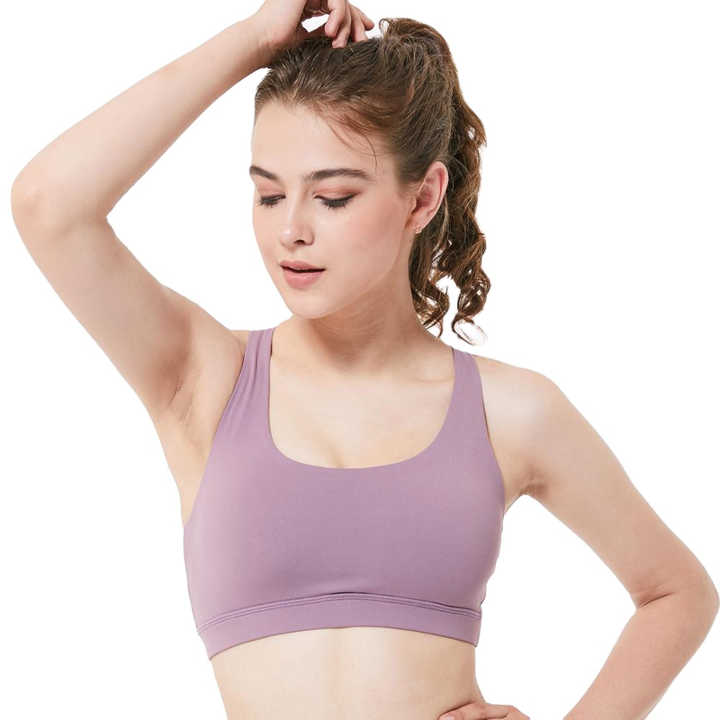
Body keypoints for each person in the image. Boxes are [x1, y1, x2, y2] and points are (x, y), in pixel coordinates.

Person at [10, 1, 718, 718]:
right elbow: (48, 206)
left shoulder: (510, 411)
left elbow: (677, 592)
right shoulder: (204, 380)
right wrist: (254, 39)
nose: (291, 230)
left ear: (423, 198)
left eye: (333, 197)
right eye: (268, 195)